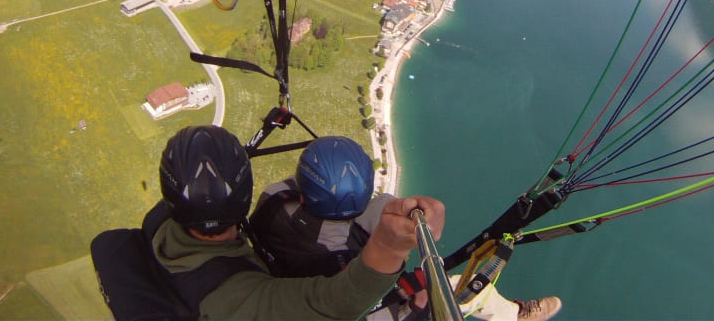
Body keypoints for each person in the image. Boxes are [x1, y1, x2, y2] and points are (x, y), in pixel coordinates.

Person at [150, 125, 446, 320]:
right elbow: (339, 303)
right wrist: (389, 246)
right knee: (422, 300)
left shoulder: (159, 225)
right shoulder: (240, 299)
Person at [249, 136, 563, 321]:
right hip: (342, 308)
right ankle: (514, 315)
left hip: (277, 287)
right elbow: (362, 295)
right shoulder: (355, 237)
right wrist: (416, 306)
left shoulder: (275, 196)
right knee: (458, 291)